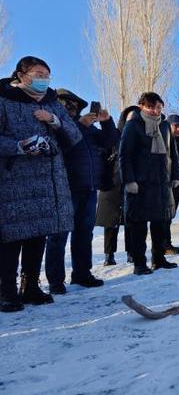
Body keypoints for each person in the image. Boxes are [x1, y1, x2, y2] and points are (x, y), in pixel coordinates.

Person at [0, 56, 82, 312]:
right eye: (37, 73)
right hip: (14, 181)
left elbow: (75, 135)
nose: (43, 79)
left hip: (48, 181)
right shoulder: (4, 100)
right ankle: (7, 292)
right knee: (12, 239)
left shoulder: (52, 103)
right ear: (21, 75)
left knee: (38, 235)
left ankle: (31, 287)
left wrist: (54, 121)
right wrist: (19, 147)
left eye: (47, 74)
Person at [45, 89, 119, 293]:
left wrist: (106, 121)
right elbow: (59, 148)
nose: (72, 109)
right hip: (64, 188)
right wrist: (79, 126)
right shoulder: (54, 125)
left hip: (89, 187)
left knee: (84, 233)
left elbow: (110, 141)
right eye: (67, 105)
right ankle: (55, 281)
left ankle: (82, 273)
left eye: (75, 106)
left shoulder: (89, 129)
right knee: (58, 236)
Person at [119, 92, 179, 274]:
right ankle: (139, 263)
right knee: (139, 227)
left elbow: (173, 154)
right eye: (151, 107)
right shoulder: (133, 125)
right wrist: (129, 181)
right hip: (141, 184)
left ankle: (159, 259)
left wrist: (175, 174)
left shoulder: (164, 126)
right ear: (141, 107)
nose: (155, 111)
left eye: (159, 108)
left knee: (160, 224)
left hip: (162, 183)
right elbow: (125, 155)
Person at [96, 106, 137, 266]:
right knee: (110, 222)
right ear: (124, 118)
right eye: (130, 117)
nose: (133, 120)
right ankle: (109, 254)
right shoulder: (114, 135)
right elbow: (102, 154)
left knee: (131, 220)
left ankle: (132, 252)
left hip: (131, 182)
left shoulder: (138, 136)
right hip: (112, 182)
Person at [164, 114, 179, 254]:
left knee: (170, 215)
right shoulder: (167, 141)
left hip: (178, 184)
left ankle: (167, 243)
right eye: (175, 126)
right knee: (165, 216)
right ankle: (164, 245)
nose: (178, 129)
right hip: (169, 185)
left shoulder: (178, 142)